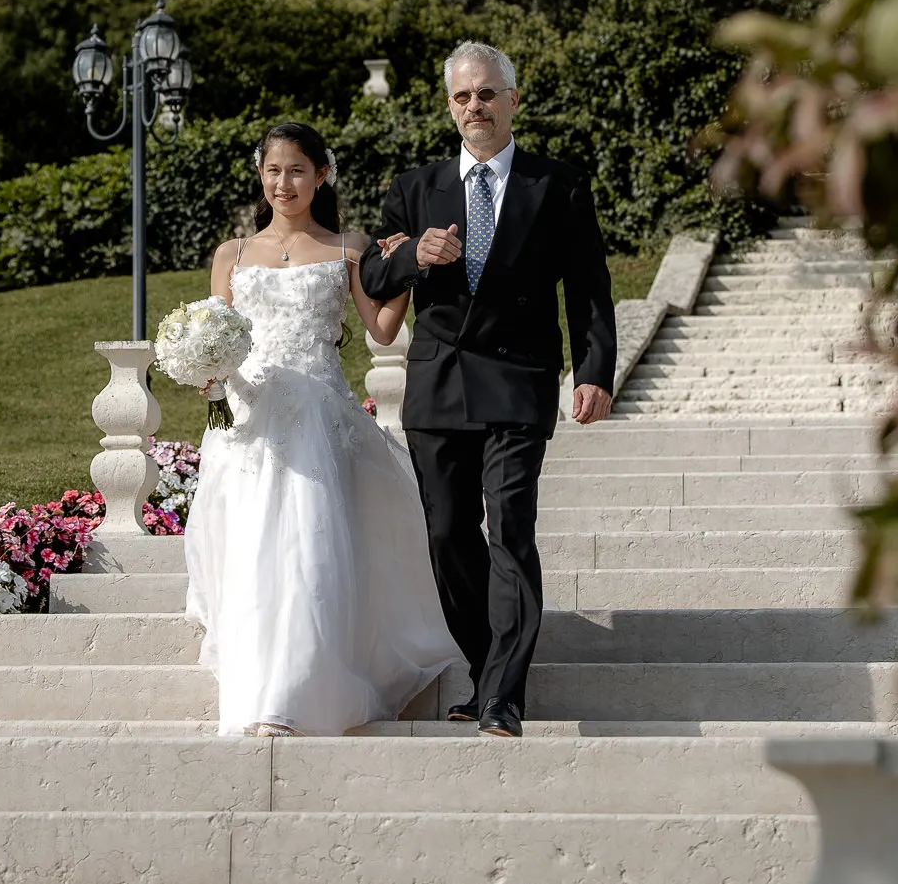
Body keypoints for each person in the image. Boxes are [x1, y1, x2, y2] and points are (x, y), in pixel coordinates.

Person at [358, 42, 617, 738]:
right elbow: (373, 278)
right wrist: (415, 256)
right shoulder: (415, 188)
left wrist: (594, 370)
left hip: (518, 380)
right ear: (450, 107)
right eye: (463, 96)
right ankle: (483, 669)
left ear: (512, 101)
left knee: (510, 527)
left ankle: (503, 692)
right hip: (438, 383)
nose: (475, 106)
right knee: (448, 536)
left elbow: (588, 287)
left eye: (487, 93)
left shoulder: (557, 184)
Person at [182, 121, 463, 737]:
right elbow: (217, 336)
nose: (284, 183)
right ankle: (258, 692)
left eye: (297, 171)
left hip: (318, 418)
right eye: (273, 171)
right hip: (249, 424)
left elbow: (381, 330)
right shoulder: (231, 254)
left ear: (322, 175)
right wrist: (204, 369)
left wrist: (406, 272)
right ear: (260, 175)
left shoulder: (348, 248)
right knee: (254, 555)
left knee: (307, 552)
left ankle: (296, 694)